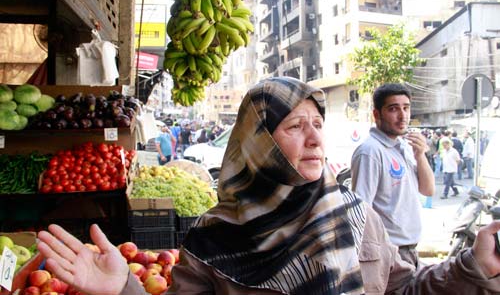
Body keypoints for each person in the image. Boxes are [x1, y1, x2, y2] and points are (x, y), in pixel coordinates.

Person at [37, 77, 500, 294]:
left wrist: (471, 268)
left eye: (318, 123)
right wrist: (127, 290)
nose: (316, 137)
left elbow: (404, 289)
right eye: (296, 126)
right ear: (259, 143)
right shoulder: (210, 238)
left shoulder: (357, 214)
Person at [351, 83, 435, 267]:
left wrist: (420, 155)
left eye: (406, 108)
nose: (402, 115)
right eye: (393, 109)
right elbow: (361, 211)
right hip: (390, 255)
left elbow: (428, 190)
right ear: (377, 114)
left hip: (410, 250)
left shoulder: (404, 146)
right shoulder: (370, 151)